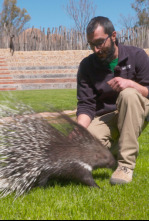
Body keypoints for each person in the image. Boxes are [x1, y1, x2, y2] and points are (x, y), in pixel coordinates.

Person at [76, 16, 149, 185]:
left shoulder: (137, 55)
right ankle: (115, 150)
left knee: (128, 95)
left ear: (113, 36)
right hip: (106, 117)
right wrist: (79, 129)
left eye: (100, 42)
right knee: (83, 153)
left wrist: (132, 85)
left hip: (136, 108)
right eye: (91, 45)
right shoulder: (87, 65)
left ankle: (125, 166)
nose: (96, 49)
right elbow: (86, 104)